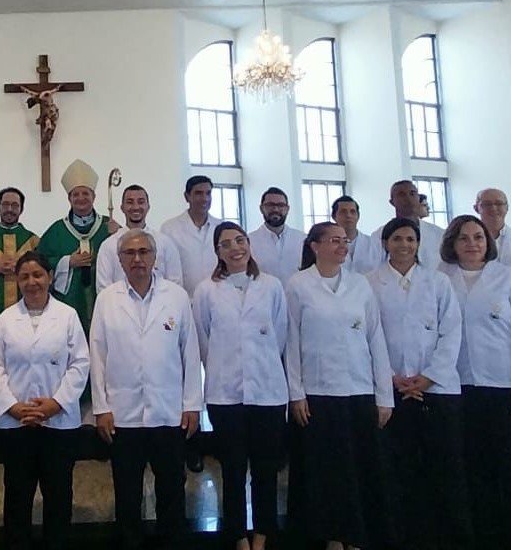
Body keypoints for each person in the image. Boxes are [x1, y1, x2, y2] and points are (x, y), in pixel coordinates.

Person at [285, 222, 397, 550]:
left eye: (344, 241)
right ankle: (333, 537)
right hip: (318, 393)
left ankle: (357, 537)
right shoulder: (298, 285)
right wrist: (296, 393)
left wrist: (384, 395)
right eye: (334, 240)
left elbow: (375, 338)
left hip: (359, 390)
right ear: (315, 246)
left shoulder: (360, 284)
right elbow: (291, 341)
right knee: (328, 471)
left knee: (359, 467)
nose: (341, 246)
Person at [90, 229, 203, 550]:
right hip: (123, 414)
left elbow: (190, 352)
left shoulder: (176, 296)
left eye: (144, 252)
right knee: (127, 494)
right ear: (120, 259)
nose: (137, 259)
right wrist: (101, 407)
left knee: (172, 491)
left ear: (155, 257)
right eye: (130, 253)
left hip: (168, 411)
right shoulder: (107, 299)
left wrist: (192, 404)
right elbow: (97, 354)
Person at [438, 214, 511, 550]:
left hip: (503, 388)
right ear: (452, 243)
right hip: (455, 388)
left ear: (489, 242)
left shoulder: (508, 279)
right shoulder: (440, 278)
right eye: (464, 238)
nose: (472, 244)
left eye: (479, 237)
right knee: (468, 469)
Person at [366, 218, 471, 550]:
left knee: (443, 468)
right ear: (385, 243)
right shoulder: (369, 283)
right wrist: (390, 376)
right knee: (397, 469)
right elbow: (370, 335)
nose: (404, 245)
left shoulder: (438, 281)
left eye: (411, 239)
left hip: (436, 389)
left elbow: (451, 331)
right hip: (391, 389)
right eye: (397, 238)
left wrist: (428, 377)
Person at [0, 252, 89, 550]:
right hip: (16, 423)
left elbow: (80, 363)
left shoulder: (67, 316)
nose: (32, 282)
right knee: (17, 497)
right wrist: (12, 407)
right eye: (25, 276)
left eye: (38, 275)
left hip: (58, 423)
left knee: (58, 496)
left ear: (50, 277)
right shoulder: (6, 320)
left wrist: (56, 403)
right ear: (17, 281)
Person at [192, 222, 288, 550]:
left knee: (265, 469)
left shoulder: (271, 286)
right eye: (226, 244)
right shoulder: (206, 291)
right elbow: (204, 340)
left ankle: (263, 534)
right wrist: (225, 364)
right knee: (232, 470)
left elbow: (279, 335)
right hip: (225, 394)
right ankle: (236, 535)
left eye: (240, 240)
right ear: (217, 252)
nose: (235, 248)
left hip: (267, 392)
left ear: (248, 244)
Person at [38, 160, 115, 337]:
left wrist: (118, 235)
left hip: (103, 301)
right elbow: (40, 263)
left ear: (94, 196)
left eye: (85, 193)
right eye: (75, 194)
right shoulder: (56, 230)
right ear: (69, 198)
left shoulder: (108, 227)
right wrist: (68, 262)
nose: (81, 198)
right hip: (68, 301)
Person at [0, 187, 40, 351]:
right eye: (5, 204)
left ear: (21, 209)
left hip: (25, 308)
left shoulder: (33, 241)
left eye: (15, 205)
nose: (10, 209)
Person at [95, 184, 183, 292]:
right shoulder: (108, 245)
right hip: (119, 301)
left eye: (141, 202)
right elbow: (104, 288)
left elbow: (175, 284)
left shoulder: (165, 243)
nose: (136, 207)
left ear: (148, 206)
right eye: (130, 202)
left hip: (160, 302)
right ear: (122, 207)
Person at [160, 175, 221, 295]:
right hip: (183, 298)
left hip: (218, 297)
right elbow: (164, 268)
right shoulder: (169, 228)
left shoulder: (221, 227)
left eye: (208, 193)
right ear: (187, 196)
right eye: (198, 193)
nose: (205, 199)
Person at [248, 187, 307, 284]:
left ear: (287, 209)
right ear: (261, 208)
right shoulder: (249, 241)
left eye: (280, 205)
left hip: (297, 293)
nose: (275, 209)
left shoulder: (302, 239)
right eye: (270, 205)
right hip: (262, 293)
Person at [389, 180, 443, 266]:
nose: (408, 198)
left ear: (418, 197)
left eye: (412, 193)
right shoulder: (380, 236)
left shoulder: (439, 233)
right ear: (392, 202)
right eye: (401, 194)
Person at [331, 196, 382, 274]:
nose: (348, 215)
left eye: (352, 212)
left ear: (358, 216)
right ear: (334, 216)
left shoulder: (375, 244)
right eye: (343, 212)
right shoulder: (327, 245)